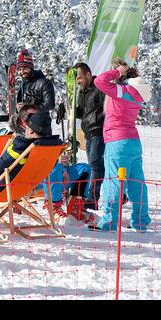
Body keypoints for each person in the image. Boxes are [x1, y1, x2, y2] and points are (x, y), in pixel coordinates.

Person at [0, 108, 63, 223]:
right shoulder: (51, 147)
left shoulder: (20, 146)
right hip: (26, 188)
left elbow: (1, 166)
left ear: (30, 131)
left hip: (1, 189)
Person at [89, 59, 152, 232]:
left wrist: (117, 72)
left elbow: (99, 81)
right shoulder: (136, 93)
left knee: (113, 182)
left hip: (117, 143)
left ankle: (108, 221)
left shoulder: (122, 91)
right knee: (136, 183)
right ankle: (140, 222)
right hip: (133, 142)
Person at [73, 62, 106, 210]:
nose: (78, 81)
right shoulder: (83, 92)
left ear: (88, 75)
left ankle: (92, 199)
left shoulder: (99, 88)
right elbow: (82, 112)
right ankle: (120, 192)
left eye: (79, 77)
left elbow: (107, 109)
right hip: (88, 133)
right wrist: (70, 109)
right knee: (99, 166)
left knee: (94, 165)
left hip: (98, 131)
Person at [16, 49, 55, 114]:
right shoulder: (24, 84)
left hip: (41, 122)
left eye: (25, 68)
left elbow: (50, 104)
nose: (22, 72)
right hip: (26, 120)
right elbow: (22, 103)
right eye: (19, 69)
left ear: (31, 68)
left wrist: (32, 108)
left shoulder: (45, 83)